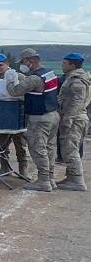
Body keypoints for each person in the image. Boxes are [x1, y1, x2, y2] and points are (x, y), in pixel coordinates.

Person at [5, 48, 60, 192]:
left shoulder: (34, 78)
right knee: (49, 148)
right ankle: (50, 178)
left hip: (39, 117)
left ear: (31, 60)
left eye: (23, 61)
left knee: (37, 148)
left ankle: (43, 181)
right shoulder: (50, 73)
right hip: (53, 114)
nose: (22, 64)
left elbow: (14, 91)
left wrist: (10, 80)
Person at [56, 53, 90, 191]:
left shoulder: (76, 81)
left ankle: (77, 181)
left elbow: (77, 101)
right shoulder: (80, 78)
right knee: (70, 148)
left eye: (65, 63)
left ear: (72, 65)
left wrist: (68, 119)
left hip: (74, 119)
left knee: (70, 150)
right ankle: (71, 177)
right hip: (78, 117)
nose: (62, 65)